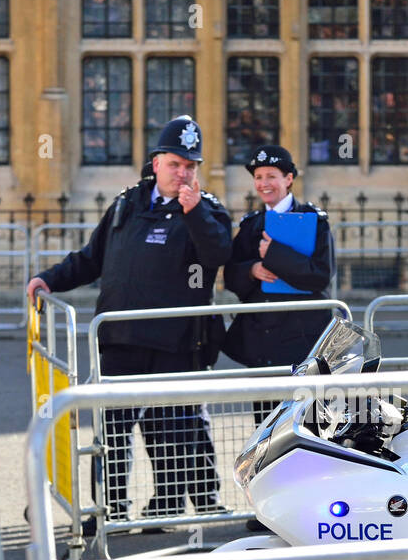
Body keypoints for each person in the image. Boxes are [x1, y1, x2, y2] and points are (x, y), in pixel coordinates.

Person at [26, 116, 232, 528]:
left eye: (191, 166)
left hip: (176, 343)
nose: (183, 173)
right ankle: (108, 510)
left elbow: (218, 255)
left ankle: (167, 507)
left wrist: (194, 215)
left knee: (169, 432)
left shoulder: (207, 211)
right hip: (120, 340)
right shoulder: (126, 204)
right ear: (156, 162)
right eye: (175, 164)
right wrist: (48, 279)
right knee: (112, 433)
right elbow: (91, 258)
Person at [223, 143, 335, 427]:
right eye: (258, 177)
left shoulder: (314, 221)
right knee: (265, 428)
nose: (263, 184)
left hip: (302, 343)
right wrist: (252, 270)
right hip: (264, 346)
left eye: (271, 176)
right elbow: (231, 278)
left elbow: (320, 276)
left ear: (288, 179)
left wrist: (273, 254)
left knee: (306, 426)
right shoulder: (251, 224)